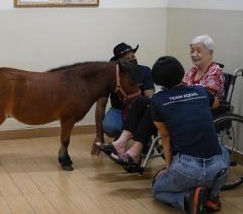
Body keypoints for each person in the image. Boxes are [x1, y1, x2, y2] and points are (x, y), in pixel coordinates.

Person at [151, 56, 229, 213]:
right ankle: (212, 197)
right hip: (218, 170)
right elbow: (216, 103)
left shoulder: (157, 100)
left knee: (158, 191)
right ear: (181, 72)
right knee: (224, 150)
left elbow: (165, 136)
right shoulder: (200, 91)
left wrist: (168, 168)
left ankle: (187, 199)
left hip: (187, 170)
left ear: (158, 80)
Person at [91, 42, 155, 155]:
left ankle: (143, 139)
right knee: (110, 127)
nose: (132, 60)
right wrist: (99, 136)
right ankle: (121, 138)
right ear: (119, 62)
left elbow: (150, 97)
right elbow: (101, 105)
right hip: (118, 110)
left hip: (140, 110)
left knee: (146, 115)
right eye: (127, 58)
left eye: (133, 56)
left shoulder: (145, 71)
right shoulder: (110, 77)